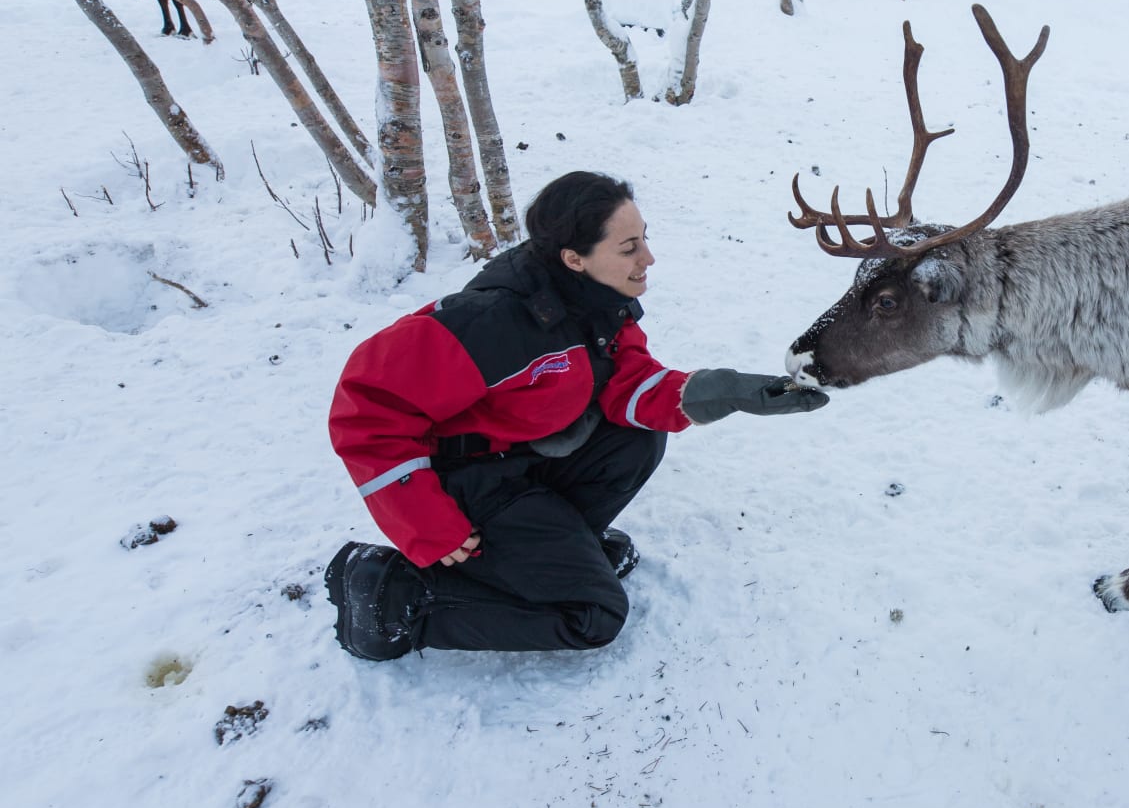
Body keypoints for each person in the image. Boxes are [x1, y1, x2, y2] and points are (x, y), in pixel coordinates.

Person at [323, 171, 827, 661]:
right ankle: (390, 596)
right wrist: (428, 523)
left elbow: (626, 382)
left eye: (644, 240)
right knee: (592, 615)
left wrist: (728, 392)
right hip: (466, 483)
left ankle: (556, 552)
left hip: (521, 461)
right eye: (629, 248)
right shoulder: (490, 321)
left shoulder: (598, 301)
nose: (648, 258)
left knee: (638, 437)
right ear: (574, 258)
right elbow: (365, 407)